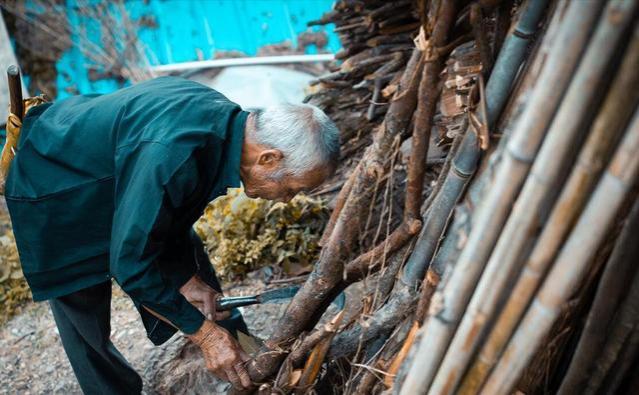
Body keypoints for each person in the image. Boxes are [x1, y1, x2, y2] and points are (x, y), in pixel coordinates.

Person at [4, 76, 340, 394]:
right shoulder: (172, 151)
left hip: (113, 174)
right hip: (53, 180)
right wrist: (204, 335)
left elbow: (168, 217)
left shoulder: (220, 126)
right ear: (268, 158)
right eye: (293, 188)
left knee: (195, 270)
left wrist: (184, 277)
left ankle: (245, 358)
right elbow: (131, 263)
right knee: (84, 314)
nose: (287, 199)